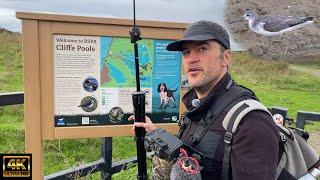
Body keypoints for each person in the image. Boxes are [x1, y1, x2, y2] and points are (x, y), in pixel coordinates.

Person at [129, 20, 279, 180]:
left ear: (226, 57)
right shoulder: (197, 108)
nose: (191, 59)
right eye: (186, 52)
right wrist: (155, 133)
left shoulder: (251, 122)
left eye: (202, 48)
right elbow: (190, 153)